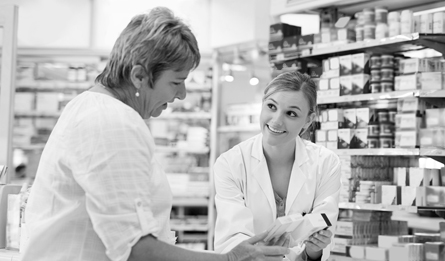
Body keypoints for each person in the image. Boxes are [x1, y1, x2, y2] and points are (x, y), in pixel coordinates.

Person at [21, 7, 288, 261]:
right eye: (176, 81)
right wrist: (230, 258)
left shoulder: (92, 107)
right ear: (139, 76)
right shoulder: (113, 121)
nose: (181, 94)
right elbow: (136, 251)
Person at [213, 71, 341, 261]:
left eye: (291, 113)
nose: (276, 120)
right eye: (271, 106)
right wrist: (261, 252)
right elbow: (231, 238)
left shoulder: (326, 163)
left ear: (308, 120)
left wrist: (315, 248)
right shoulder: (231, 163)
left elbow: (319, 240)